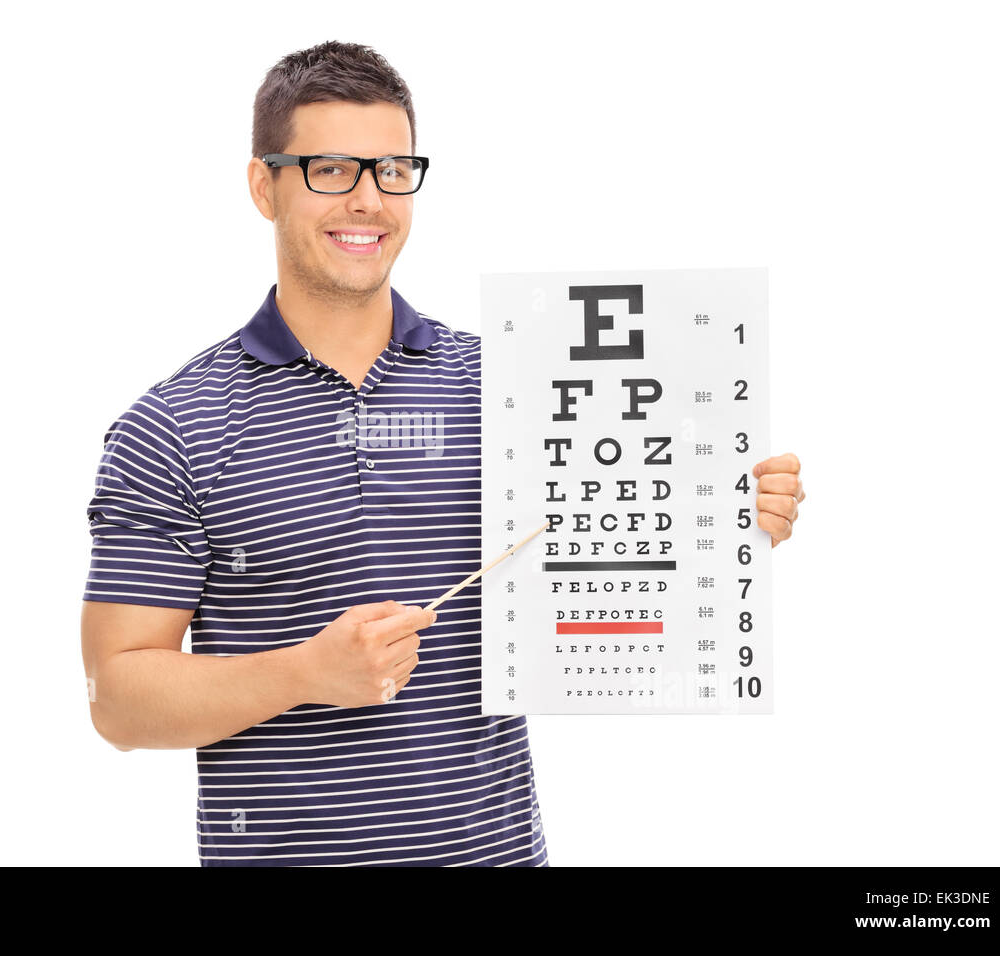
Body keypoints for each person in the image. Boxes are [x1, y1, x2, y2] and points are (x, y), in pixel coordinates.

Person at [79, 40, 807, 867]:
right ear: (263, 185)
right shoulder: (173, 425)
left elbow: (598, 561)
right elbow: (119, 698)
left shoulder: (508, 382)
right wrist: (306, 673)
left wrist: (721, 519)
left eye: (392, 171)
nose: (368, 201)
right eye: (330, 170)